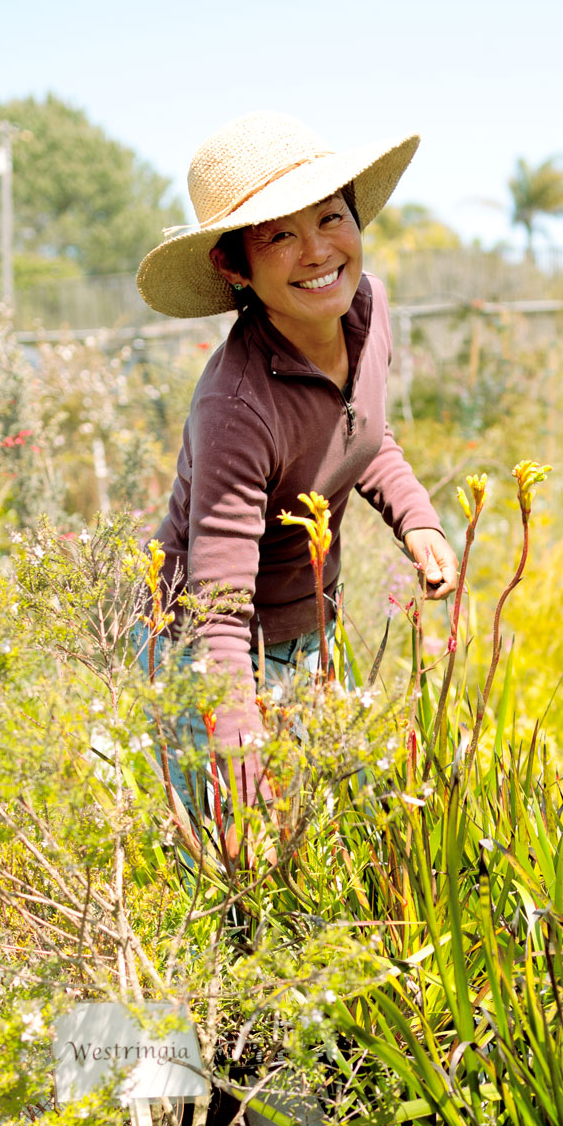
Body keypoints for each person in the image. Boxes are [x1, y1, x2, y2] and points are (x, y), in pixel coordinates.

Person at [135, 110, 457, 810]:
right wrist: (240, 751)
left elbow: (360, 432)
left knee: (319, 821)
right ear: (233, 265)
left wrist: (418, 519)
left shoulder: (368, 311)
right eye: (281, 234)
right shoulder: (237, 407)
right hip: (205, 648)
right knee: (237, 853)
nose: (317, 251)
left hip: (305, 625)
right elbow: (218, 609)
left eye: (331, 218)